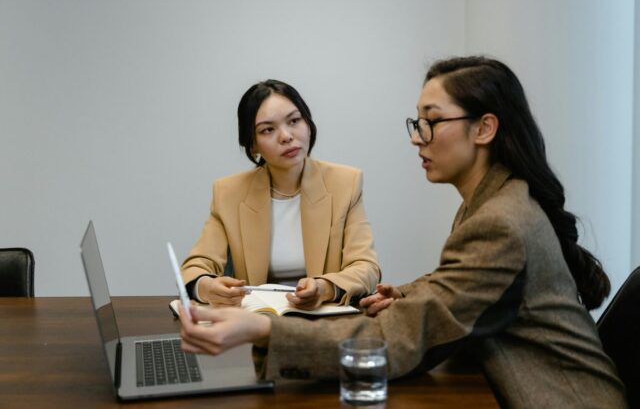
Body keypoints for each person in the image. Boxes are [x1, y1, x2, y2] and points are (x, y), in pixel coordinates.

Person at [178, 57, 628, 407]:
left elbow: (394, 339)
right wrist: (409, 295)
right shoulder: (495, 200)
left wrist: (261, 331)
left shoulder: (499, 220)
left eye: (431, 122)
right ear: (252, 144)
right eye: (417, 122)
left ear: (485, 128)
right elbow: (458, 286)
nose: (418, 137)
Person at [181, 79, 381, 310]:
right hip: (258, 326)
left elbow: (366, 267)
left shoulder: (345, 183)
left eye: (294, 121)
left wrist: (325, 288)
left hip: (324, 322)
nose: (286, 136)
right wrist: (206, 287)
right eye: (268, 129)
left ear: (308, 123)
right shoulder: (228, 193)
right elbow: (197, 265)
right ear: (252, 145)